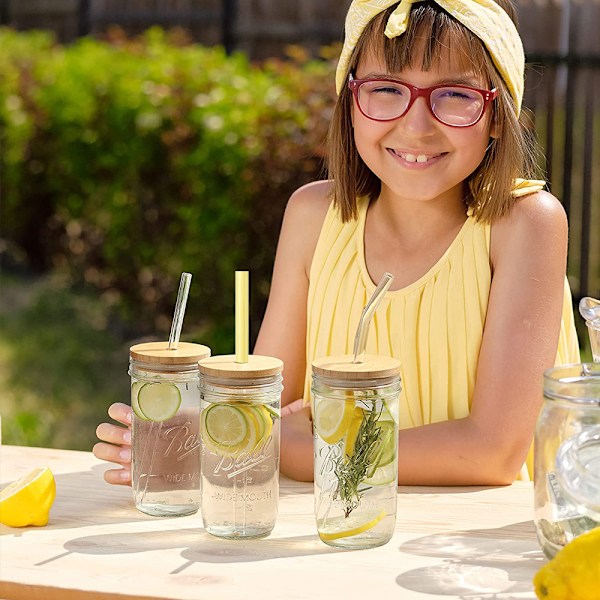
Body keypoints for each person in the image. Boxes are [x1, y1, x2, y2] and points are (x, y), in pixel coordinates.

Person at [93, 0, 580, 487]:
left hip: (468, 549)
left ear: (499, 114)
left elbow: (491, 455)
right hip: (329, 533)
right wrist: (193, 432)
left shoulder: (525, 225)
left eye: (455, 95)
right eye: (386, 89)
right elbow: (265, 407)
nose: (416, 125)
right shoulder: (313, 217)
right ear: (350, 102)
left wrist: (288, 448)